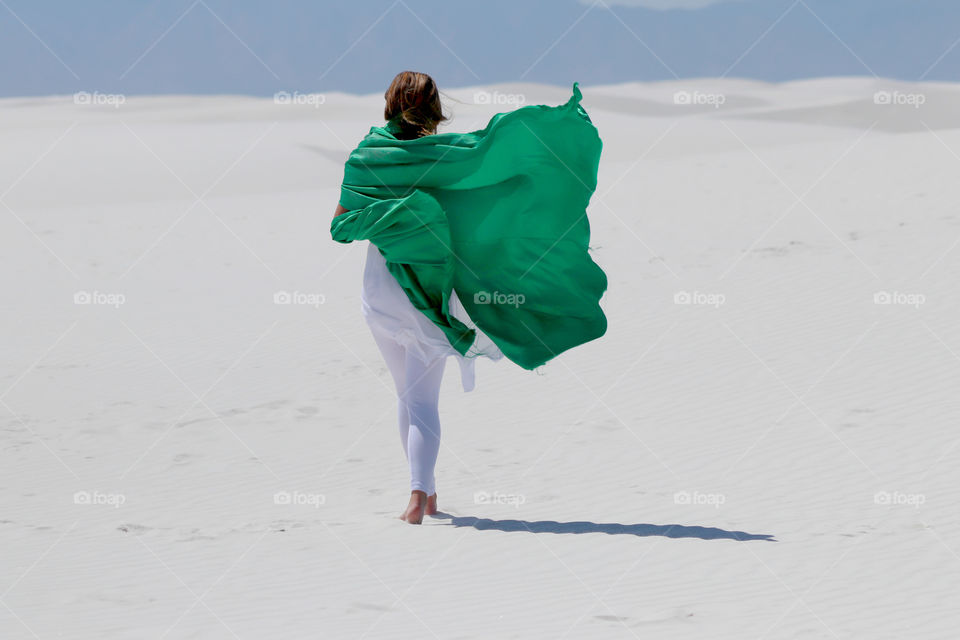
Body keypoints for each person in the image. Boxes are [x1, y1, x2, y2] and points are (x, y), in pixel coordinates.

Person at [332, 70, 607, 525]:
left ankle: (426, 494)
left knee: (407, 397)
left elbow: (340, 227)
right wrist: (413, 211)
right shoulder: (450, 156)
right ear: (434, 107)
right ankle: (420, 496)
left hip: (381, 295)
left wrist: (389, 216)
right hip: (428, 295)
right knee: (421, 399)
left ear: (388, 103)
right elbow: (495, 164)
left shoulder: (365, 157)